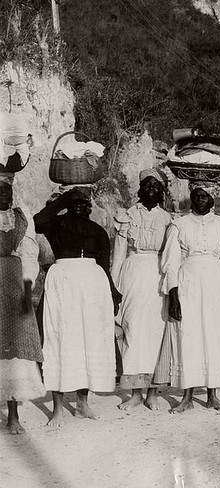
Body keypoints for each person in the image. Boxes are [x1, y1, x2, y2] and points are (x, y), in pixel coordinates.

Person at [34, 186, 121, 428]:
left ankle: (82, 404)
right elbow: (38, 221)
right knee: (60, 340)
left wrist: (112, 293)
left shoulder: (98, 231)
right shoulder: (57, 224)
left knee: (88, 341)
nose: (82, 207)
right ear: (69, 205)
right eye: (77, 203)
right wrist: (63, 199)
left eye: (85, 203)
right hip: (63, 284)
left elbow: (104, 264)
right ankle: (58, 409)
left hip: (93, 287)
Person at [155, 182, 220, 412]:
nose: (200, 200)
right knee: (188, 336)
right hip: (188, 284)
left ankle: (213, 395)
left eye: (205, 196)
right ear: (191, 200)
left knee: (214, 336)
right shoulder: (179, 224)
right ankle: (187, 397)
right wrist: (173, 295)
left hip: (216, 285)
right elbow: (171, 263)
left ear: (212, 200)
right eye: (196, 196)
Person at [111, 169, 172, 410]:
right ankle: (135, 393)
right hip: (132, 275)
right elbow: (118, 254)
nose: (150, 189)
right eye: (146, 185)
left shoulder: (168, 220)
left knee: (156, 330)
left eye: (156, 186)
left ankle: (153, 392)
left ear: (161, 191)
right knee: (132, 329)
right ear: (139, 189)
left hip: (158, 277)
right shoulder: (127, 216)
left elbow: (172, 257)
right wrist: (114, 287)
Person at [0, 175, 45, 434]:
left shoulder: (20, 218)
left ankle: (13, 415)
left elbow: (29, 255)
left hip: (15, 284)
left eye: (7, 190)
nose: (3, 195)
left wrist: (28, 291)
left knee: (16, 346)